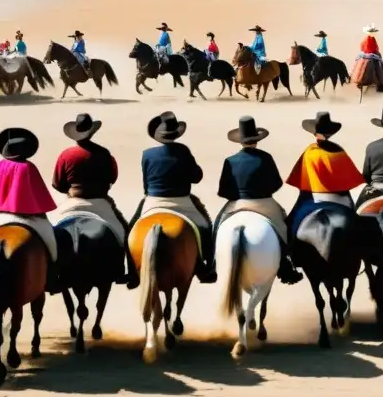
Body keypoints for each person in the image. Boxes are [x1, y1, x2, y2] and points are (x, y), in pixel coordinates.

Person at [128, 112, 216, 283]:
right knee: (206, 227)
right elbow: (196, 178)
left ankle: (132, 272)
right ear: (176, 133)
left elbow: (145, 183)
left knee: (130, 230)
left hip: (153, 200)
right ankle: (206, 268)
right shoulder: (183, 151)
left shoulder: (147, 154)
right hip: (182, 200)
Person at [216, 116, 302, 283]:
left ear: (239, 141)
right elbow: (277, 183)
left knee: (217, 226)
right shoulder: (266, 157)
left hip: (237, 203)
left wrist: (237, 196)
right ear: (257, 140)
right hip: (264, 202)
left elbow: (223, 190)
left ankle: (212, 263)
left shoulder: (230, 161)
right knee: (284, 227)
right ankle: (286, 264)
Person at [51, 113, 134, 287]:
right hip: (101, 201)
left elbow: (57, 184)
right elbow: (112, 177)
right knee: (126, 232)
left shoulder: (66, 154)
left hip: (72, 201)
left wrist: (70, 189)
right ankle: (123, 271)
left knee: (50, 233)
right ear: (92, 132)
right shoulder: (104, 153)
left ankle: (52, 274)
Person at [0, 128, 58, 264]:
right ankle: (55, 273)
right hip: (29, 217)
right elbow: (40, 195)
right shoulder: (28, 167)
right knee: (52, 244)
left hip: (1, 217)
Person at [285, 111, 365, 234]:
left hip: (315, 198)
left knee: (290, 223)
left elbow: (302, 178)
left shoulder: (310, 151)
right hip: (340, 198)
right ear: (330, 133)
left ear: (314, 133)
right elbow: (349, 178)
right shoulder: (339, 151)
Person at [355, 25, 383, 91]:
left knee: (357, 60)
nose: (373, 33)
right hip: (371, 53)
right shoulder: (370, 38)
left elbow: (361, 47)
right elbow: (375, 48)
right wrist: (374, 51)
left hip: (364, 53)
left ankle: (356, 76)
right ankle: (381, 81)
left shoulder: (365, 39)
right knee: (381, 63)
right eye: (372, 32)